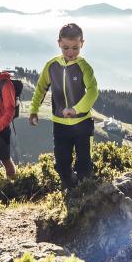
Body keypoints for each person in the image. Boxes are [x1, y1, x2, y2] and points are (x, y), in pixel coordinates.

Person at [28, 23, 98, 188]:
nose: (70, 52)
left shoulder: (84, 67)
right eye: (66, 48)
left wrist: (76, 109)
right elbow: (41, 88)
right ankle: (70, 190)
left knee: (84, 164)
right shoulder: (51, 65)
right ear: (59, 43)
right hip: (60, 125)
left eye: (75, 48)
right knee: (61, 165)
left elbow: (93, 91)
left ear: (82, 44)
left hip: (82, 123)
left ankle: (85, 192)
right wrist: (33, 110)